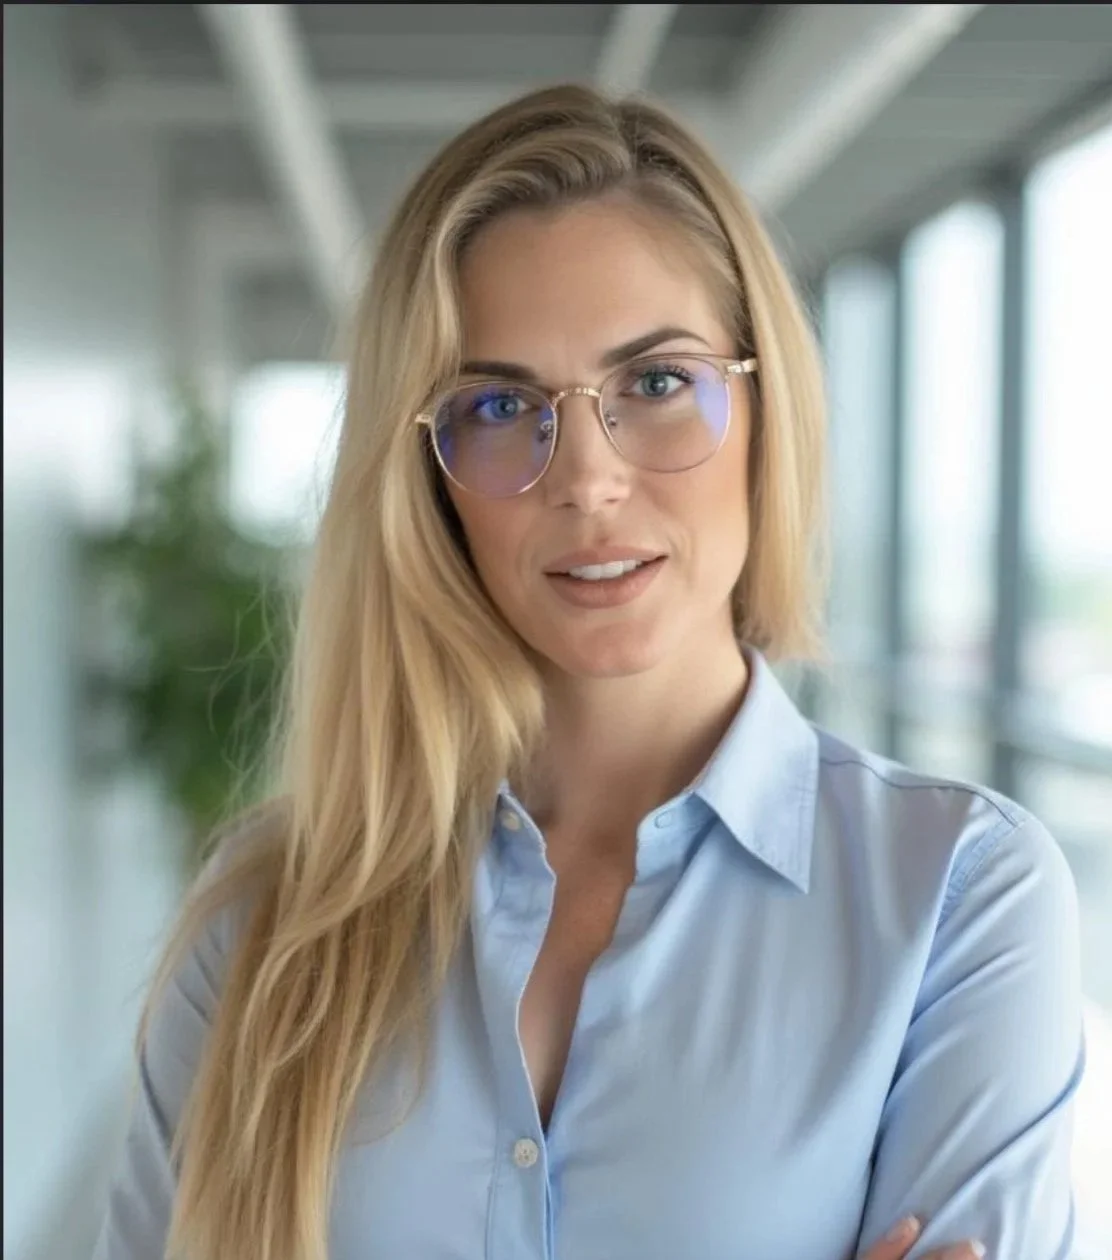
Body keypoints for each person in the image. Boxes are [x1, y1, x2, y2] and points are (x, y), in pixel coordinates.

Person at [93, 85, 1083, 1260]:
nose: (587, 481)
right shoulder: (265, 931)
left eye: (656, 384)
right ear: (429, 484)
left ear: (767, 406)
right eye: (500, 405)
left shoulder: (956, 902)